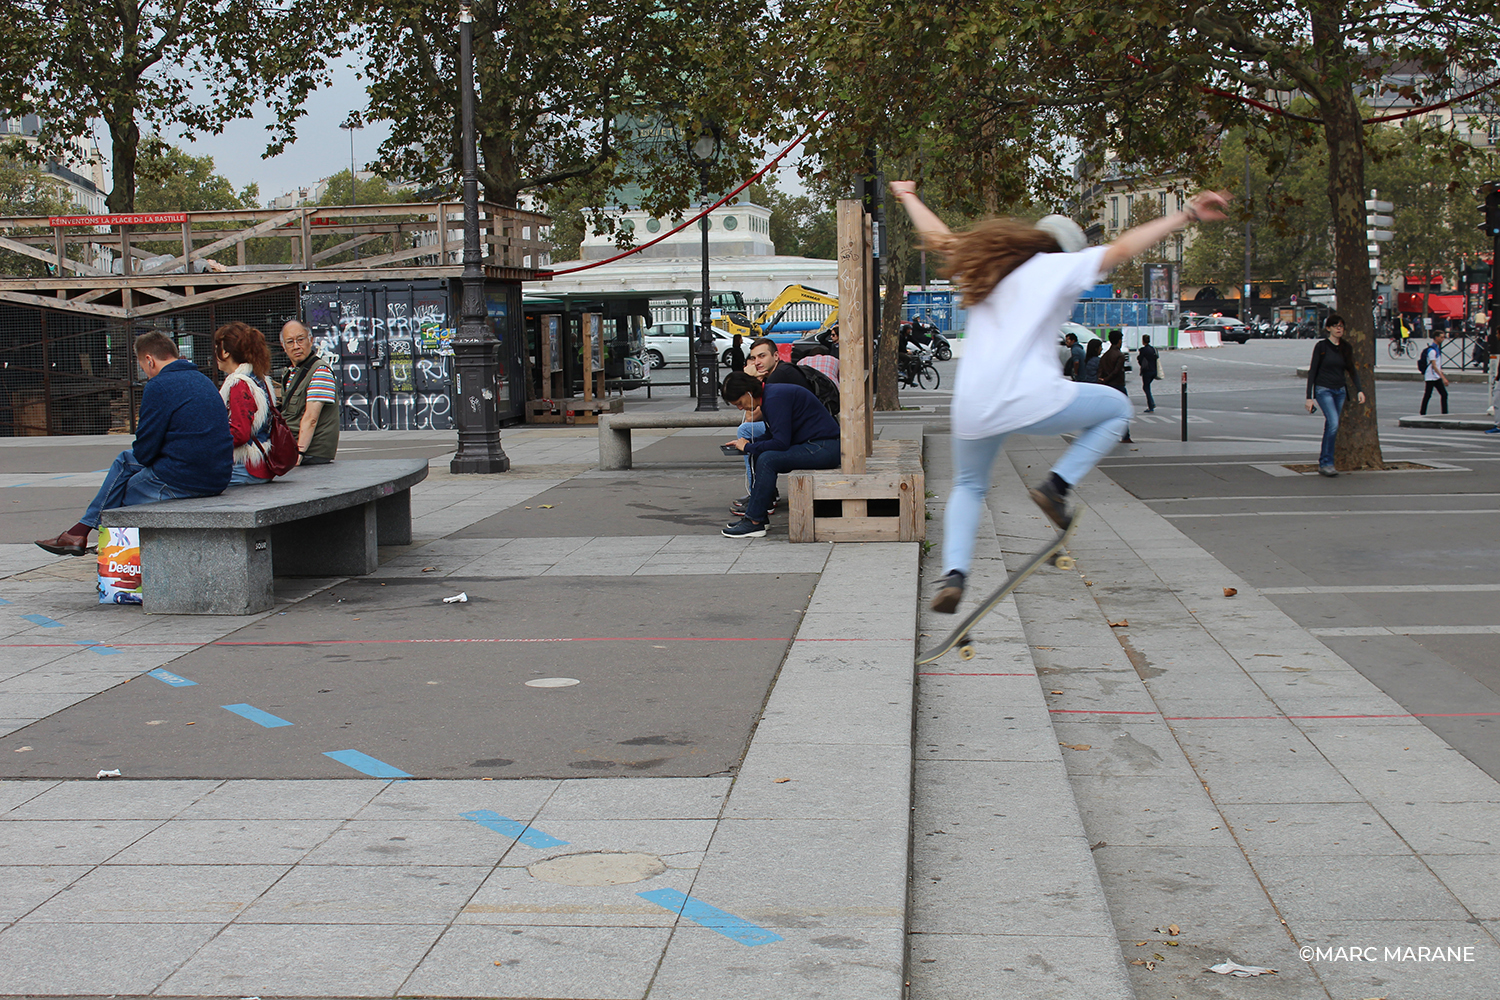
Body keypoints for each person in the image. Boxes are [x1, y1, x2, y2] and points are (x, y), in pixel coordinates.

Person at [889, 179, 1230, 612]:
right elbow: (1123, 248)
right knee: (1116, 408)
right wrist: (1186, 214)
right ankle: (1056, 486)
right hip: (1031, 397)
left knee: (969, 485)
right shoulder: (1062, 267)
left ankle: (955, 573)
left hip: (973, 405)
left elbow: (937, 236)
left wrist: (908, 195)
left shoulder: (988, 266)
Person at [34, 331, 233, 556]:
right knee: (124, 461)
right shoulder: (203, 380)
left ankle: (109, 557)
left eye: (142, 365)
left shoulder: (159, 385)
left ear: (149, 360)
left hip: (185, 479)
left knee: (119, 495)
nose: (145, 372)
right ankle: (79, 533)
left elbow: (145, 451)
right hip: (218, 476)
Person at [720, 371, 840, 538]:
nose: (740, 408)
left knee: (767, 460)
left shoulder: (775, 399)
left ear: (748, 393)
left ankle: (754, 521)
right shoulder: (771, 395)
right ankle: (758, 515)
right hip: (815, 444)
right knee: (760, 454)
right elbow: (774, 434)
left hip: (823, 448)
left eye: (739, 403)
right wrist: (749, 445)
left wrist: (748, 447)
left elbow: (781, 443)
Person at [727, 337, 815, 512]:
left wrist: (749, 379)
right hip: (804, 428)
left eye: (762, 356)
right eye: (753, 358)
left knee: (746, 430)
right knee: (754, 439)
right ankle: (764, 493)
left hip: (808, 435)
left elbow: (752, 417)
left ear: (776, 356)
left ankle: (760, 495)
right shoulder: (778, 373)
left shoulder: (778, 377)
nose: (757, 362)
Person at [214, 321, 278, 485]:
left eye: (217, 347)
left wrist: (210, 442)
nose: (215, 353)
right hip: (261, 463)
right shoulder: (258, 378)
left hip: (245, 467)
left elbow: (240, 433)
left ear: (226, 352)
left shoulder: (238, 383)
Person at [1304, 313, 1366, 477]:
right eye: (1335, 326)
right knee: (1333, 424)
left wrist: (1359, 389)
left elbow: (1351, 369)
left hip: (1340, 390)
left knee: (1331, 426)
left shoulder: (1345, 347)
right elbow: (1313, 371)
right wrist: (1309, 397)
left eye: (1341, 326)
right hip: (1324, 389)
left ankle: (1324, 461)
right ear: (1328, 328)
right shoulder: (1321, 347)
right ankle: (1327, 463)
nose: (1339, 329)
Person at [278, 320, 339, 465]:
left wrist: (299, 453)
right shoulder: (291, 372)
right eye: (290, 342)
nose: (296, 346)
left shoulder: (320, 371)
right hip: (292, 444)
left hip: (311, 452)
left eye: (300, 340)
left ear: (310, 341)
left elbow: (311, 418)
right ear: (283, 346)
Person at [1096, 330, 1132, 443]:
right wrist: (1107, 379)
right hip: (1118, 385)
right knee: (1123, 412)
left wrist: (1102, 380)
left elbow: (1100, 371)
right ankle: (1125, 435)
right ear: (1119, 341)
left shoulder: (1105, 356)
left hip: (1108, 387)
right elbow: (1116, 372)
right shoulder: (1120, 356)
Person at [1420, 329, 1449, 416]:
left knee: (1442, 394)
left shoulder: (1435, 349)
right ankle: (1423, 413)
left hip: (1435, 376)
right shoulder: (1432, 351)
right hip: (1431, 376)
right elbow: (1434, 365)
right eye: (1441, 337)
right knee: (1429, 395)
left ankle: (1444, 413)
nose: (1443, 339)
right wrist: (1443, 377)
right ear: (1436, 338)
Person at [1138, 335, 1160, 412]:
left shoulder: (1143, 350)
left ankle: (1151, 405)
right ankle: (1151, 403)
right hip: (1154, 370)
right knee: (1147, 387)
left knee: (1146, 388)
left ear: (1143, 341)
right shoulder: (1153, 349)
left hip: (1146, 371)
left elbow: (1140, 359)